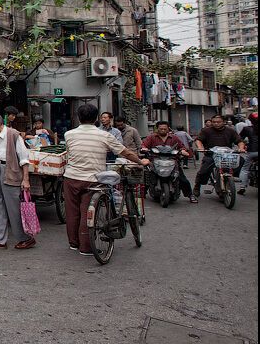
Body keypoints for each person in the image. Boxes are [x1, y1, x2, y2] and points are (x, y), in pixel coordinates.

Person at [63, 104, 148, 256]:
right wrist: (141, 162)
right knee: (86, 212)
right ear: (96, 118)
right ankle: (86, 247)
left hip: (71, 178)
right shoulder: (104, 135)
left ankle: (74, 243)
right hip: (93, 179)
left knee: (72, 212)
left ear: (78, 117)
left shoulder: (69, 134)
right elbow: (125, 152)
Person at [0, 112, 36, 250]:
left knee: (14, 208)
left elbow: (24, 159)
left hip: (10, 170)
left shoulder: (13, 135)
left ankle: (26, 238)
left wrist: (26, 180)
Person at [193, 114, 246, 198]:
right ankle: (197, 185)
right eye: (214, 122)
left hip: (226, 155)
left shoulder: (230, 131)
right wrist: (200, 147)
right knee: (204, 170)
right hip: (211, 154)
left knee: (241, 160)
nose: (216, 124)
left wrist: (241, 148)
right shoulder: (206, 131)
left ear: (223, 122)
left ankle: (229, 180)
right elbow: (198, 140)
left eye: (218, 122)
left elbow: (239, 141)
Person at [142, 120, 195, 203]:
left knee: (182, 178)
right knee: (147, 176)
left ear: (168, 129)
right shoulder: (151, 137)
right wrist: (144, 148)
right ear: (157, 129)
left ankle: (190, 195)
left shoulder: (174, 137)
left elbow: (181, 147)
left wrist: (183, 151)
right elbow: (144, 145)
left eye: (165, 129)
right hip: (155, 161)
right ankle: (142, 193)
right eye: (161, 129)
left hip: (172, 161)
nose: (163, 130)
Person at [238, 113, 258, 194]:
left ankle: (242, 186)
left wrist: (242, 147)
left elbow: (239, 139)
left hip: (252, 151)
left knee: (245, 169)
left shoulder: (247, 129)